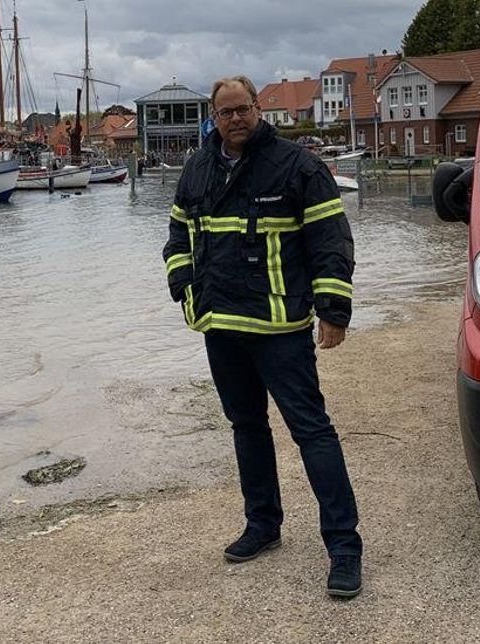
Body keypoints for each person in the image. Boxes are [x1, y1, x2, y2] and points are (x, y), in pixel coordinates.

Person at [162, 76, 362, 597]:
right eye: (225, 112)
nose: (236, 119)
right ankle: (263, 525)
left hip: (280, 329)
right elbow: (179, 233)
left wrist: (333, 310)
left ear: (257, 109)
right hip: (221, 327)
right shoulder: (197, 167)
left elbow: (330, 242)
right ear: (214, 116)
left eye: (243, 109)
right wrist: (184, 288)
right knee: (246, 428)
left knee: (312, 432)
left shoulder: (299, 166)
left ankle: (344, 547)